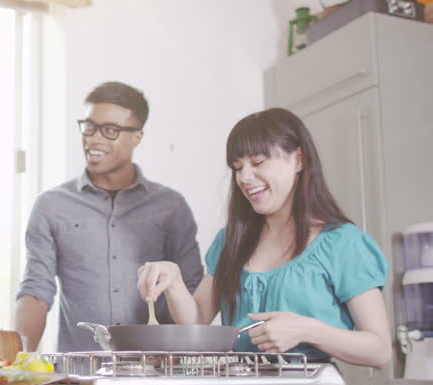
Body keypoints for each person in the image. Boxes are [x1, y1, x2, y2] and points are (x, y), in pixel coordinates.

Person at [136, 108, 391, 368]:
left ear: (299, 160)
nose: (245, 177)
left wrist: (307, 330)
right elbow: (197, 321)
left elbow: (380, 351)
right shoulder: (230, 241)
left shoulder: (343, 243)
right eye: (237, 167)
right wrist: (174, 280)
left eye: (258, 163)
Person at [16, 81, 203, 352]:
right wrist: (19, 358)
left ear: (137, 137)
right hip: (80, 374)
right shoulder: (51, 206)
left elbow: (192, 292)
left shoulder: (171, 207)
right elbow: (36, 292)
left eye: (110, 130)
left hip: (158, 372)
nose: (94, 139)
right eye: (89, 126)